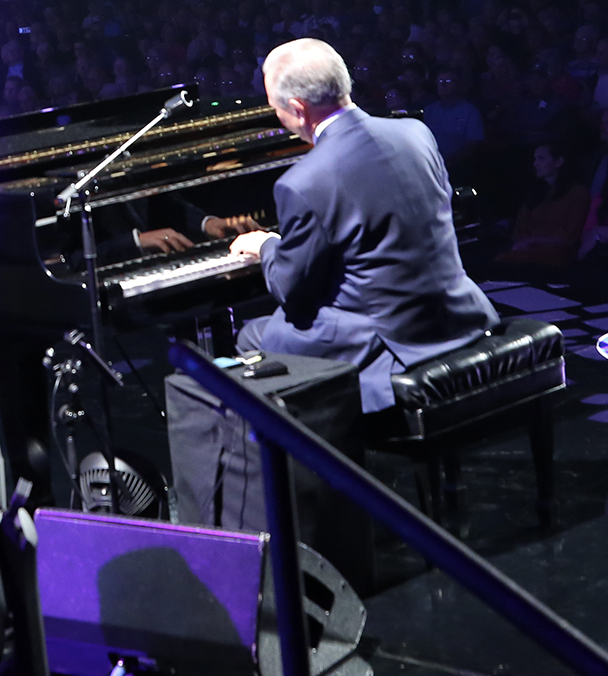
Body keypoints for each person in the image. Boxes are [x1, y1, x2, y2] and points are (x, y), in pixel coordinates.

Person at [228, 39, 497, 413]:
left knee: (253, 336)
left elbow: (292, 290)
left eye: (275, 108)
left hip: (389, 340)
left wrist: (267, 246)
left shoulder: (303, 181)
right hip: (458, 312)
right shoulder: (415, 133)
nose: (278, 118)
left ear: (297, 108)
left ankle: (323, 459)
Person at [499, 141, 588, 266]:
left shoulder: (578, 193)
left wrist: (532, 241)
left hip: (559, 252)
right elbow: (521, 226)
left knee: (504, 260)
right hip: (529, 249)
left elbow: (570, 235)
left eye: (541, 158)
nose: (535, 164)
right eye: (535, 159)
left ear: (558, 162)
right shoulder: (536, 193)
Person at [421, 69, 484, 168]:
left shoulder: (470, 111)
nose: (443, 85)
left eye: (448, 81)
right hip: (430, 165)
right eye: (440, 81)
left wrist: (450, 162)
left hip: (460, 166)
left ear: (458, 84)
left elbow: (473, 143)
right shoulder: (429, 110)